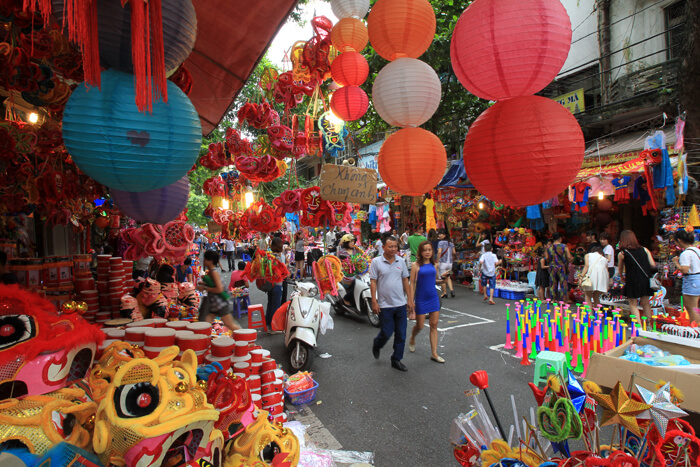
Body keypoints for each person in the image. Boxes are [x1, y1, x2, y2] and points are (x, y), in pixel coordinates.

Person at [370, 236, 413, 372]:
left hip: (400, 304)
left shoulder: (400, 261)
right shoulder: (376, 262)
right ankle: (377, 344)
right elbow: (373, 282)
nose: (394, 249)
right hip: (385, 305)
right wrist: (374, 301)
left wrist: (410, 299)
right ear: (383, 247)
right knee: (387, 332)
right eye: (390, 246)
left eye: (395, 246)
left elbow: (405, 280)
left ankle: (396, 359)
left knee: (401, 334)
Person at [409, 241, 446, 363]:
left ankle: (434, 353)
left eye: (429, 250)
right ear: (421, 252)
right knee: (419, 325)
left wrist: (443, 280)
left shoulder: (434, 264)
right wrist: (411, 300)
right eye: (425, 250)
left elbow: (434, 281)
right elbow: (412, 282)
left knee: (434, 324)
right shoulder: (415, 265)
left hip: (433, 297)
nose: (427, 252)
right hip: (421, 298)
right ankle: (413, 337)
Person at [617, 230, 656, 321]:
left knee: (633, 304)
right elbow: (653, 264)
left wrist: (622, 277)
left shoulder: (622, 253)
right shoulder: (645, 250)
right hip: (645, 280)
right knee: (646, 303)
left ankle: (638, 327)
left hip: (632, 280)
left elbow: (620, 269)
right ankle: (648, 325)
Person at [197, 250, 240, 332]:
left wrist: (204, 288)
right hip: (214, 304)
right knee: (204, 324)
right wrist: (204, 284)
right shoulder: (211, 272)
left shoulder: (214, 272)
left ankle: (246, 337)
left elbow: (219, 289)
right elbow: (213, 285)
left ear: (210, 261)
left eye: (205, 259)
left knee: (230, 325)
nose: (203, 261)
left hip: (220, 304)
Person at [672, 230, 700, 324]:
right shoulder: (696, 250)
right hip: (698, 278)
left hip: (691, 281)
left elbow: (684, 270)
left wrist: (676, 262)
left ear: (679, 240)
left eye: (675, 241)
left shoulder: (685, 254)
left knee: (691, 307)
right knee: (695, 307)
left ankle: (695, 329)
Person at [546, 232, 573, 302]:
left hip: (552, 267)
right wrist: (570, 260)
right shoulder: (564, 246)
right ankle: (563, 300)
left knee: (553, 283)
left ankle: (553, 299)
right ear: (560, 238)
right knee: (563, 283)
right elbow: (569, 257)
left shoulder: (549, 247)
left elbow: (547, 258)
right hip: (561, 267)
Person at [266, 237, 286, 329]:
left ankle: (268, 322)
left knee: (270, 304)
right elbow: (283, 271)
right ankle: (273, 326)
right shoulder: (280, 257)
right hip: (277, 284)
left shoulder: (269, 256)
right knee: (275, 306)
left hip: (269, 283)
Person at [338, 234, 362, 306]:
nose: (352, 243)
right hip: (347, 274)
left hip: (357, 273)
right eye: (350, 242)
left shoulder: (356, 251)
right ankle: (346, 298)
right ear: (346, 243)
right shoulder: (342, 252)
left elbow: (363, 258)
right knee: (356, 284)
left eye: (353, 241)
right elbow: (340, 263)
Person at [437, 229, 456, 298]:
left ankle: (444, 292)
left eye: (440, 234)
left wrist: (437, 261)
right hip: (450, 263)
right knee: (448, 277)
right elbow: (454, 252)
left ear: (444, 235)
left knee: (442, 278)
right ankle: (452, 290)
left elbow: (439, 252)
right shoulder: (451, 243)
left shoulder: (441, 243)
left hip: (442, 263)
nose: (439, 235)